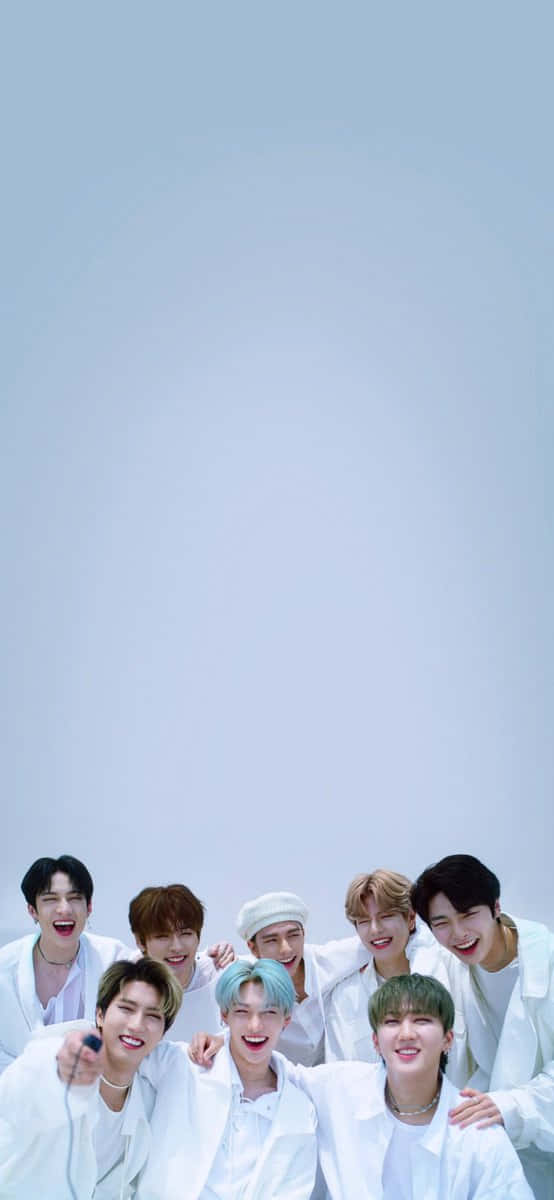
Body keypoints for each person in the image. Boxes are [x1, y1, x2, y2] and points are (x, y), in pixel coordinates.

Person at [411, 853, 554, 1199]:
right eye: (442, 923)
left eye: (468, 914)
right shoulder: (448, 968)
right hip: (500, 1147)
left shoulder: (546, 961)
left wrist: (514, 1105)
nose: (458, 934)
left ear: (496, 907)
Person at [0, 957, 182, 1198]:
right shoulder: (54, 1052)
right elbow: (14, 1095)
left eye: (153, 1016)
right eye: (126, 1009)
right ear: (100, 1015)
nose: (137, 1025)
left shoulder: (148, 1102)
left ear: (162, 1033)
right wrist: (58, 1071)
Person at [136, 958, 317, 1199]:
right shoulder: (181, 1064)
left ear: (286, 1020)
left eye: (269, 1012)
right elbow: (113, 1045)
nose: (255, 1026)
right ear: (224, 1015)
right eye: (242, 1012)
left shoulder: (300, 1112)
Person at [324, 869, 469, 1084]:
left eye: (386, 916)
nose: (375, 930)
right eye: (364, 921)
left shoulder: (452, 971)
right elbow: (338, 1075)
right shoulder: (345, 995)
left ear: (410, 918)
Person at [0, 855, 135, 1073]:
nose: (64, 909)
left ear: (89, 907)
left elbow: (160, 975)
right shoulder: (5, 967)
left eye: (74, 898)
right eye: (50, 899)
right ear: (32, 910)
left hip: (97, 1087)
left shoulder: (114, 957)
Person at [236, 890, 370, 1065]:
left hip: (336, 1073)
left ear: (304, 934)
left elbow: (378, 941)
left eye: (293, 935)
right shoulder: (245, 981)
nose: (286, 949)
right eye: (272, 940)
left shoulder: (328, 961)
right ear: (253, 948)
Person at [128, 884, 234, 1040]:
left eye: (186, 934)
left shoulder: (220, 975)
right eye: (162, 936)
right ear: (140, 942)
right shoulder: (125, 984)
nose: (177, 947)